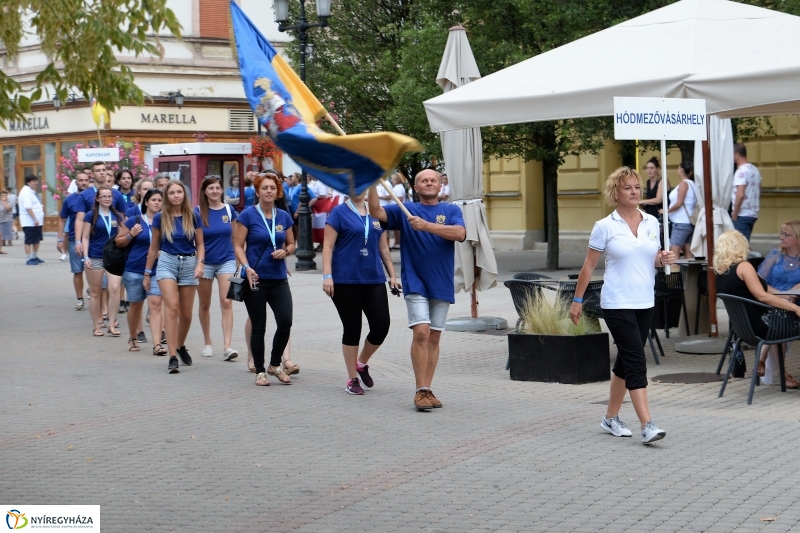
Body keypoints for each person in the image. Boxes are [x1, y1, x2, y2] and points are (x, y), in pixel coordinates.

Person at [569, 166, 675, 445]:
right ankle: (647, 425)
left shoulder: (652, 223)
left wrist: (662, 260)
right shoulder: (605, 226)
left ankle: (610, 418)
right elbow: (588, 267)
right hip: (617, 302)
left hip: (644, 300)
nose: (634, 192)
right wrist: (577, 300)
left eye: (637, 187)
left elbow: (648, 259)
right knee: (637, 361)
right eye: (627, 187)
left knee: (626, 362)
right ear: (615, 193)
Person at [368, 169, 466, 410]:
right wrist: (370, 183)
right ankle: (420, 390)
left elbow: (460, 233)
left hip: (441, 282)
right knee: (421, 331)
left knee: (434, 336)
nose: (429, 183)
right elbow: (375, 212)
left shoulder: (451, 210)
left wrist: (427, 226)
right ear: (416, 186)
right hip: (415, 281)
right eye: (424, 180)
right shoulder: (404, 209)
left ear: (441, 185)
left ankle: (428, 389)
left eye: (433, 180)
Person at [323, 189, 399, 395]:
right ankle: (352, 379)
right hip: (344, 279)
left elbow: (384, 248)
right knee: (352, 328)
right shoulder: (338, 213)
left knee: (382, 325)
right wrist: (327, 276)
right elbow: (328, 246)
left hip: (373, 277)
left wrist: (392, 275)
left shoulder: (376, 213)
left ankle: (361, 363)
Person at [715, 230, 800, 387]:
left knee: (782, 316)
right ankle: (778, 371)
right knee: (789, 318)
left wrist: (781, 297)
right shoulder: (744, 267)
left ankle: (772, 367)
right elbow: (762, 296)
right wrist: (794, 307)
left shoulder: (721, 271)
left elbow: (762, 288)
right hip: (762, 326)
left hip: (743, 330)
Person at [234, 173, 296, 386]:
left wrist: (285, 252)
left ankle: (275, 364)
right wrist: (246, 267)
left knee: (285, 321)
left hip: (278, 278)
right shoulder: (248, 215)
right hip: (256, 278)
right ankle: (260, 371)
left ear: (278, 192)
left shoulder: (284, 216)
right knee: (259, 326)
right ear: (258, 191)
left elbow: (291, 244)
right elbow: (237, 245)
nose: (269, 191)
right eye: (264, 188)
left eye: (272, 188)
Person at [144, 180, 205, 374]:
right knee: (172, 308)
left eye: (179, 192)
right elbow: (154, 247)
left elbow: (201, 244)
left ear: (184, 195)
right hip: (167, 263)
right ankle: (172, 356)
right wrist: (147, 273)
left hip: (189, 264)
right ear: (167, 197)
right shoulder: (161, 217)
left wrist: (201, 263)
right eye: (172, 193)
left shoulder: (193, 216)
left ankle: (180, 345)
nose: (176, 195)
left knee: (186, 315)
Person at [115, 188, 167, 354]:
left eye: (160, 200)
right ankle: (133, 337)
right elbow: (119, 242)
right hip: (135, 269)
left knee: (156, 305)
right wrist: (131, 234)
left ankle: (157, 344)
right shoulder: (135, 221)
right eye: (153, 200)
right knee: (136, 307)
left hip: (157, 270)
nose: (157, 203)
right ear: (146, 202)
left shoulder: (166, 222)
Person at [196, 176, 239, 361]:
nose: (214, 191)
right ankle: (207, 342)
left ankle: (227, 346)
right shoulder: (197, 212)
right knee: (204, 304)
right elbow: (194, 240)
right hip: (204, 263)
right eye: (211, 188)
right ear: (205, 191)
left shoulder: (229, 210)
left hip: (226, 260)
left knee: (226, 301)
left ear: (222, 190)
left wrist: (239, 260)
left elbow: (236, 238)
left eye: (218, 188)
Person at [81, 185, 124, 337]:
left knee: (114, 289)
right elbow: (85, 237)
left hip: (112, 258)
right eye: (104, 196)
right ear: (98, 199)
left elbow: (120, 238)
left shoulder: (116, 216)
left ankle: (112, 323)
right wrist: (85, 257)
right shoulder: (90, 215)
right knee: (95, 292)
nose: (107, 199)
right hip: (95, 256)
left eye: (109, 196)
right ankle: (96, 325)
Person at [58, 170, 91, 310]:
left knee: (93, 269)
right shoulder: (69, 199)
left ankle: (93, 292)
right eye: (80, 180)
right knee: (77, 271)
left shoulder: (94, 197)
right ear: (75, 182)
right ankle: (80, 299)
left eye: (86, 180)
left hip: (91, 239)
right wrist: (60, 238)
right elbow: (62, 219)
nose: (83, 182)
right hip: (74, 239)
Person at [666, 161, 698, 259]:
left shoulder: (684, 184)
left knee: (673, 252)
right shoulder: (693, 184)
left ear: (681, 170)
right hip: (689, 223)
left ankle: (674, 273)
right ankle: (690, 274)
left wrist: (666, 211)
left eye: (678, 168)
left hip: (681, 223)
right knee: (688, 252)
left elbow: (679, 203)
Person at [731, 143, 762, 241]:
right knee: (744, 243)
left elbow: (740, 195)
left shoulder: (741, 171)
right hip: (753, 213)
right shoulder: (755, 170)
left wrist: (735, 214)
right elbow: (759, 191)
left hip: (742, 214)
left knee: (739, 247)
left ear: (737, 155)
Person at [18, 174, 45, 265]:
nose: (36, 183)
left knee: (36, 240)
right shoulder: (26, 192)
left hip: (36, 221)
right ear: (28, 182)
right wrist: (34, 218)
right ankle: (29, 258)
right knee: (29, 240)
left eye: (36, 181)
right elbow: (28, 207)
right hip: (30, 221)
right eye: (33, 181)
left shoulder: (31, 191)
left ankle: (34, 256)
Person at [284, 172, 317, 240]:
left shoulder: (302, 187)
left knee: (301, 230)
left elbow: (314, 198)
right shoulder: (292, 188)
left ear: (297, 178)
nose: (291, 178)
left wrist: (305, 206)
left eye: (293, 177)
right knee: (295, 230)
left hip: (299, 212)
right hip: (292, 211)